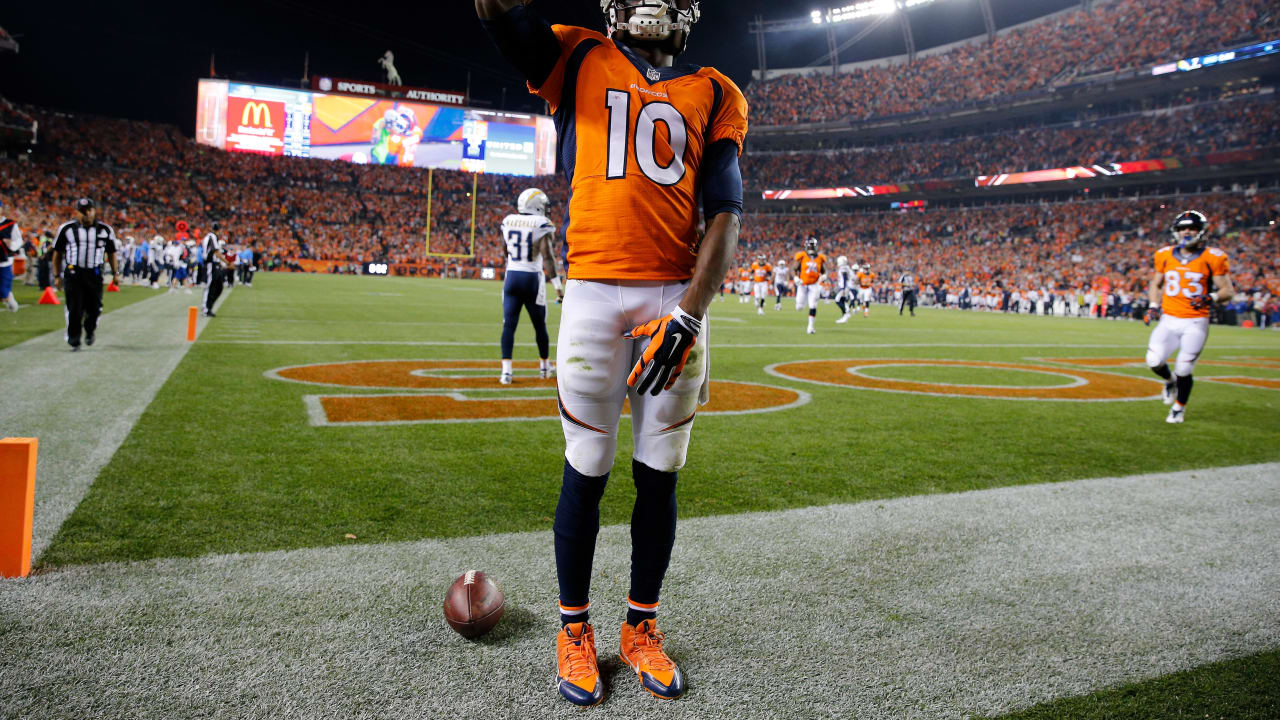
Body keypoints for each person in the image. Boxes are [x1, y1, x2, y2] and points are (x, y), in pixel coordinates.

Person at [479, 0, 746, 706]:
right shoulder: (580, 56)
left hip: (673, 300)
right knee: (586, 469)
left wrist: (690, 315)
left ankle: (640, 628)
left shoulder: (716, 90)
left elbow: (726, 211)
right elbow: (509, 27)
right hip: (596, 293)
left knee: (660, 474)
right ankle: (574, 632)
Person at [1143, 210, 1234, 424]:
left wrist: (1210, 297)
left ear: (1201, 231)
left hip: (1195, 321)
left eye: (1191, 228)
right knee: (1153, 361)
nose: (1187, 232)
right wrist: (1153, 305)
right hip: (1169, 318)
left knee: (1184, 368)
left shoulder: (1214, 257)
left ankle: (1179, 408)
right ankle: (1169, 381)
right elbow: (1156, 284)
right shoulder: (1164, 254)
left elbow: (1227, 291)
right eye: (1183, 228)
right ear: (1176, 231)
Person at [499, 187, 562, 384]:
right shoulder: (541, 223)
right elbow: (548, 257)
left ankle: (506, 372)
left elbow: (505, 249)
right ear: (536, 206)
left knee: (509, 325)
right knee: (539, 325)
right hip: (532, 279)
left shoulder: (508, 220)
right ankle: (544, 367)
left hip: (512, 276)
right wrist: (558, 286)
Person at [52, 198, 122, 350]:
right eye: (82, 211)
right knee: (74, 307)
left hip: (94, 274)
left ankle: (89, 330)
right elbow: (57, 253)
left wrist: (116, 273)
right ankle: (74, 339)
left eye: (89, 210)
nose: (86, 214)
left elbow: (111, 253)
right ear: (76, 212)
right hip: (73, 273)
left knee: (94, 308)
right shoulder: (67, 229)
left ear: (94, 211)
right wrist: (57, 276)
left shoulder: (105, 230)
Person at [794, 236, 827, 333]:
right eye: (810, 246)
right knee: (799, 307)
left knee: (813, 305)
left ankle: (810, 327)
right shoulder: (802, 256)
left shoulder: (820, 258)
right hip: (803, 284)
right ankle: (801, 306)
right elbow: (794, 268)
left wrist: (824, 276)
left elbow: (824, 271)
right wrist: (796, 277)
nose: (811, 248)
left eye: (813, 246)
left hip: (814, 284)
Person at [202, 222, 228, 317]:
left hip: (214, 264)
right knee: (210, 286)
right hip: (210, 264)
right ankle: (206, 309)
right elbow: (216, 252)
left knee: (219, 286)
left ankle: (209, 306)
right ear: (219, 229)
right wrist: (227, 262)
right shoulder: (212, 236)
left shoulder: (210, 237)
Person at [0, 204, 22, 312]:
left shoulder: (10, 224)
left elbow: (18, 240)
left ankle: (8, 296)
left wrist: (11, 245)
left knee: (3, 292)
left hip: (5, 261)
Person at [834, 255, 855, 323]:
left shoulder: (844, 268)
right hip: (846, 287)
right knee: (843, 300)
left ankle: (846, 314)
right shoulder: (847, 267)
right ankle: (844, 315)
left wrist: (843, 288)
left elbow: (844, 278)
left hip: (845, 287)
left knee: (837, 300)